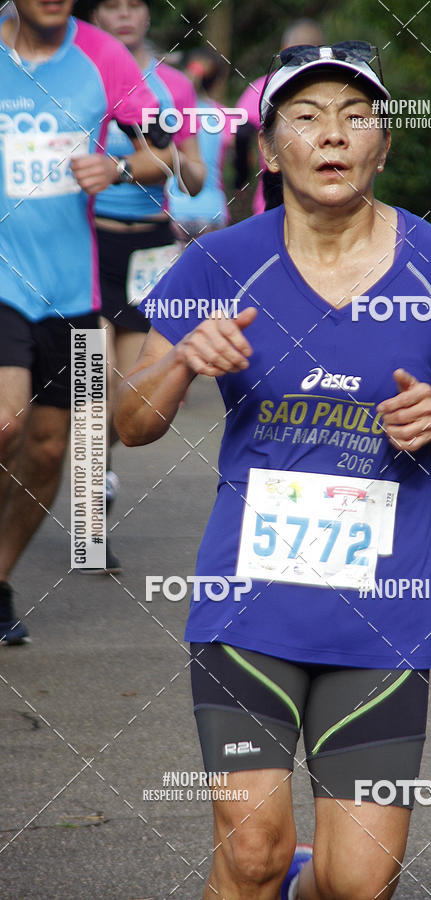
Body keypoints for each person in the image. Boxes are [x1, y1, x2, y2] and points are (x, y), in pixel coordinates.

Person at [115, 42, 431, 899]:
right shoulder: (216, 262)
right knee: (248, 853)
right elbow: (129, 422)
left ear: (384, 144)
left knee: (358, 883)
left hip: (383, 613)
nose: (334, 136)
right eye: (308, 117)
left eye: (358, 118)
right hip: (248, 601)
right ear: (270, 145)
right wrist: (179, 363)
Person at [0, 0, 175, 644]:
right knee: (5, 421)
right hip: (1, 277)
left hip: (73, 289)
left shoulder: (105, 57)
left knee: (47, 450)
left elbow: (172, 155)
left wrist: (121, 167)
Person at [88, 0, 205, 571]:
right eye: (112, 5)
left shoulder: (175, 86)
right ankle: (89, 526)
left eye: (134, 4)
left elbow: (196, 174)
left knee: (131, 394)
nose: (124, 15)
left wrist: (172, 153)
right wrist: (139, 160)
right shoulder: (82, 79)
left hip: (153, 247)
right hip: (87, 242)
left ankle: (101, 471)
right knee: (95, 382)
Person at [234, 19, 324, 216]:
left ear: (284, 48)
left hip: (273, 201)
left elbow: (241, 133)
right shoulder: (332, 88)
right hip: (325, 199)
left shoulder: (264, 86)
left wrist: (240, 180)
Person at [168, 47, 234, 244]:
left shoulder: (170, 112)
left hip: (174, 209)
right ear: (216, 81)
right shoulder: (223, 116)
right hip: (212, 210)